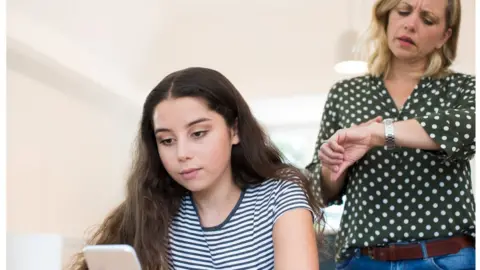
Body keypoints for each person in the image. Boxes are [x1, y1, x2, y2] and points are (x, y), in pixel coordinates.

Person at [69, 67, 322, 270]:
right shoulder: (152, 207)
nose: (182, 154)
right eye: (167, 141)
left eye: (198, 133)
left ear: (234, 130)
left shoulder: (280, 195)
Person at [306, 0, 475, 269]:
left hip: (445, 257)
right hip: (363, 260)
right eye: (403, 11)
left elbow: (467, 128)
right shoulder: (346, 93)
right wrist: (332, 166)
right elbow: (319, 192)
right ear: (386, 16)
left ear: (444, 36)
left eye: (427, 19)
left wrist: (378, 134)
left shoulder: (462, 89)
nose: (410, 24)